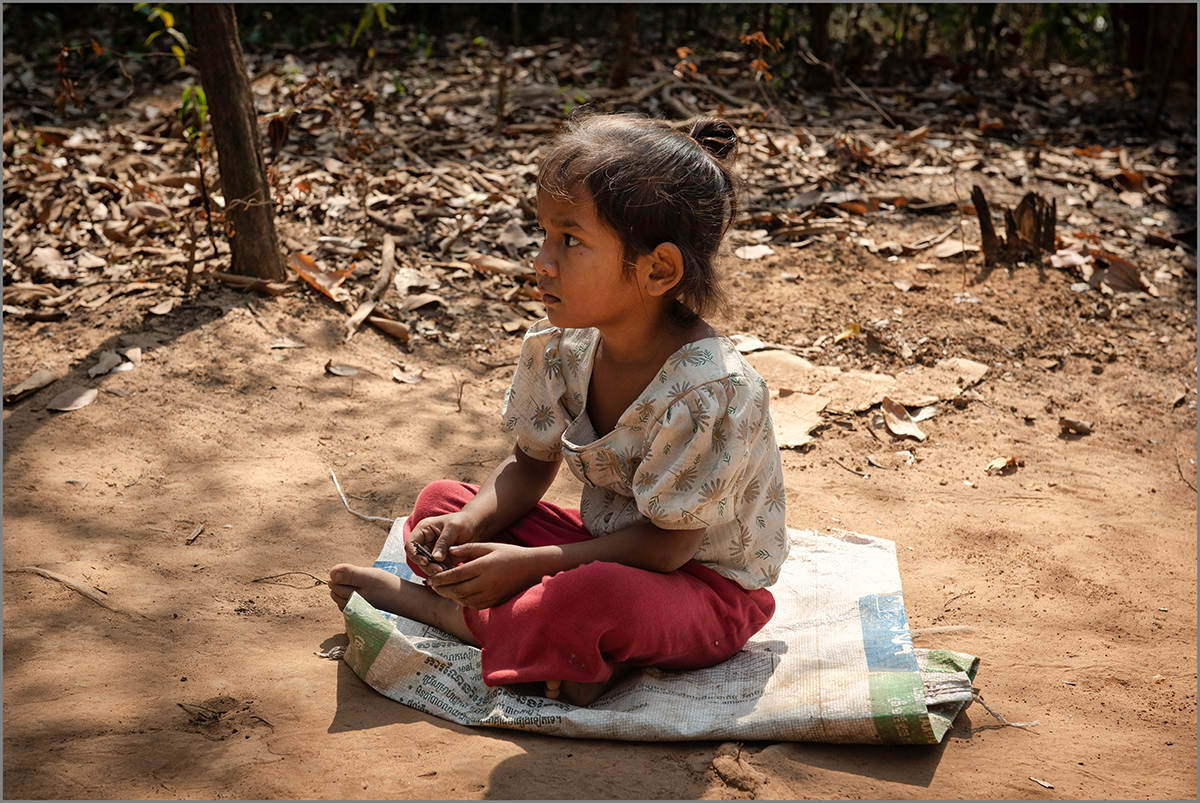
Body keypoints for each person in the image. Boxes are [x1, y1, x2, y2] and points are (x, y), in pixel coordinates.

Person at [329, 112, 789, 707]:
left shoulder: (712, 393)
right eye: (543, 235)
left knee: (593, 596)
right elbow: (527, 466)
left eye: (570, 241)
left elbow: (668, 549)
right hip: (604, 546)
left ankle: (445, 614)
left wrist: (530, 565)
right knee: (440, 504)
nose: (543, 260)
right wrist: (468, 527)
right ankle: (572, 650)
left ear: (658, 269)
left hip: (704, 589)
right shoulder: (563, 349)